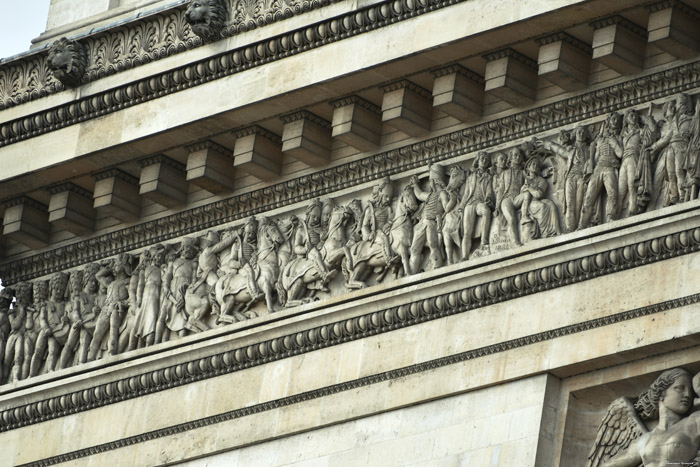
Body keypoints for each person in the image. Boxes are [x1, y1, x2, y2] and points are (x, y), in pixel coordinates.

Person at [597, 368, 700, 467]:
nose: (688, 395)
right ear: (661, 393)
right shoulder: (645, 439)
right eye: (679, 388)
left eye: (690, 391)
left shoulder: (694, 422)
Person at [578, 112, 623, 229]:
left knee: (612, 193)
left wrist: (613, 143)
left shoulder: (618, 138)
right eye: (613, 119)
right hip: (599, 168)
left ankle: (611, 217)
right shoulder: (600, 140)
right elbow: (596, 157)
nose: (616, 121)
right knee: (589, 196)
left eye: (618, 120)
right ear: (608, 122)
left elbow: (620, 153)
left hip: (610, 168)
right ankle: (582, 224)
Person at [459, 152, 494, 260]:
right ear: (477, 161)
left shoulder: (489, 177)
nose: (484, 161)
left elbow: (489, 191)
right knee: (467, 231)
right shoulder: (471, 177)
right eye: (482, 158)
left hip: (480, 202)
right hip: (470, 203)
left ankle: (484, 242)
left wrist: (488, 199)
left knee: (486, 211)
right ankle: (465, 256)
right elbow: (466, 194)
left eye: (486, 159)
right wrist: (461, 207)